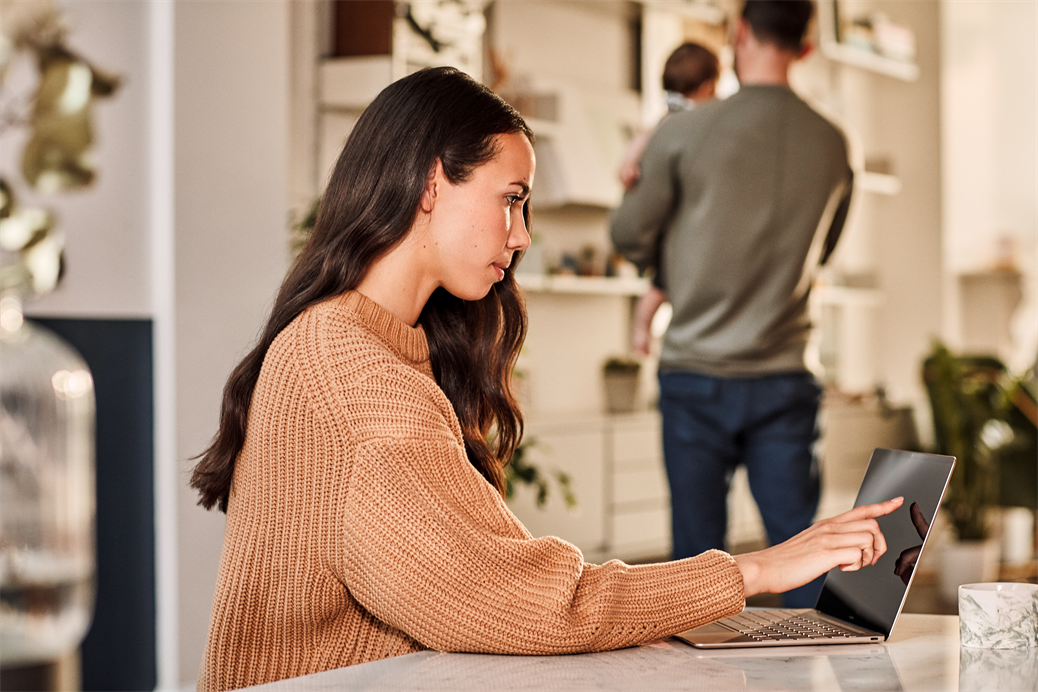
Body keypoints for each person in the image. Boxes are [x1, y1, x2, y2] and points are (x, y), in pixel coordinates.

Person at [191, 66, 892, 692]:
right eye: (511, 199)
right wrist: (754, 573)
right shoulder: (349, 371)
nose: (522, 234)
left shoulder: (368, 345)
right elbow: (516, 599)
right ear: (433, 182)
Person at [611, 0, 855, 608]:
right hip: (786, 376)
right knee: (802, 559)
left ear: (740, 32)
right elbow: (822, 249)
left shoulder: (685, 131)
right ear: (806, 44)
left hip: (696, 375)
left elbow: (626, 234)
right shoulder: (832, 143)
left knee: (698, 575)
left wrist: (668, 266)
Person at [619, 42, 721, 356]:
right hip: (680, 221)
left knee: (661, 286)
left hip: (676, 219)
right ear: (708, 86)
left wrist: (628, 166)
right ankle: (640, 332)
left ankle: (641, 332)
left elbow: (642, 139)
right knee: (662, 285)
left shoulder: (669, 117)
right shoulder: (695, 119)